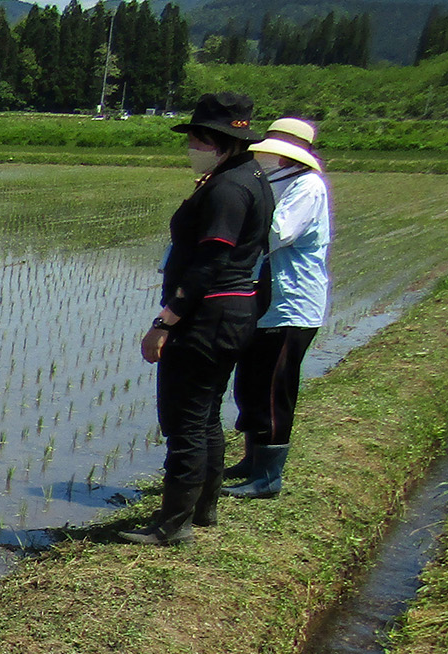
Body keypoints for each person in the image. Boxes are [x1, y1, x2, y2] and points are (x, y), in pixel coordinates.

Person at [122, 92, 273, 547]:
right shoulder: (250, 176)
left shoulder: (227, 188)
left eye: (194, 138)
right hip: (231, 313)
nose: (190, 146)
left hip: (206, 317)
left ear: (216, 139)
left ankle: (172, 524)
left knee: (184, 421)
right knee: (205, 415)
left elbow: (209, 262)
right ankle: (201, 509)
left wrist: (166, 320)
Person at [224, 118, 332, 500]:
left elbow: (277, 234)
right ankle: (251, 460)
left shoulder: (307, 186)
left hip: (290, 305)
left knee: (274, 389)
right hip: (260, 303)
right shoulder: (270, 182)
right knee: (250, 385)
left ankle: (268, 478)